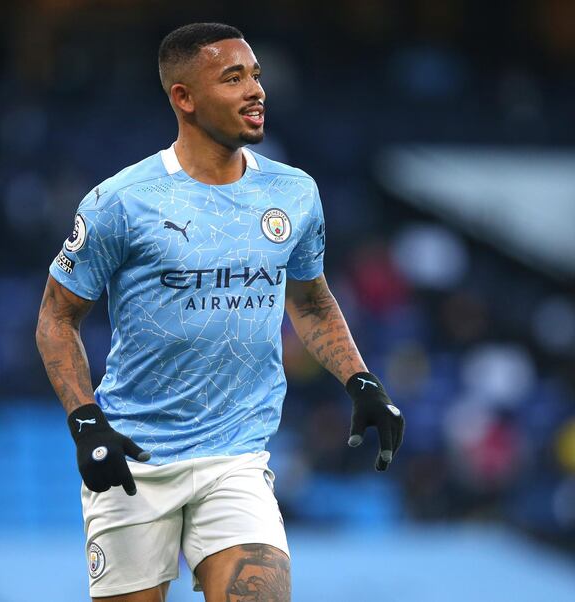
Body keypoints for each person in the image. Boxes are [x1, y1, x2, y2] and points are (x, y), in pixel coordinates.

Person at [36, 22, 405, 602]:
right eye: (233, 78)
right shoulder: (122, 201)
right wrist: (85, 422)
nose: (256, 90)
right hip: (135, 456)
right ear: (183, 98)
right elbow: (57, 318)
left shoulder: (294, 193)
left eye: (255, 75)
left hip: (235, 455)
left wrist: (362, 381)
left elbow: (309, 299)